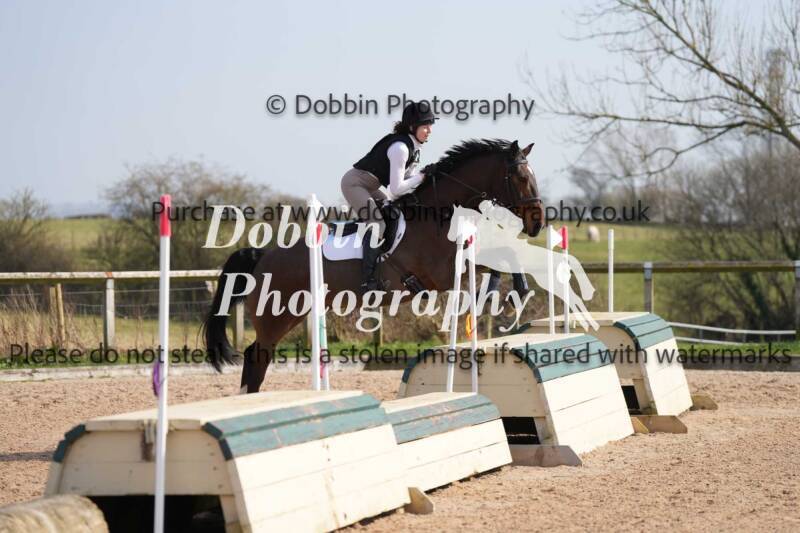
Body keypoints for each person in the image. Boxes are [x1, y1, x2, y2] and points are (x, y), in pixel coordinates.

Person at [342, 101, 438, 292]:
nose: (429, 130)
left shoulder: (415, 148)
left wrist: (425, 181)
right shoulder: (400, 148)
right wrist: (422, 177)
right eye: (425, 126)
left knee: (394, 214)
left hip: (370, 186)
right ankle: (367, 280)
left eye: (431, 125)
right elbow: (396, 189)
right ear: (412, 127)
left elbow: (407, 181)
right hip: (354, 184)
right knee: (377, 223)